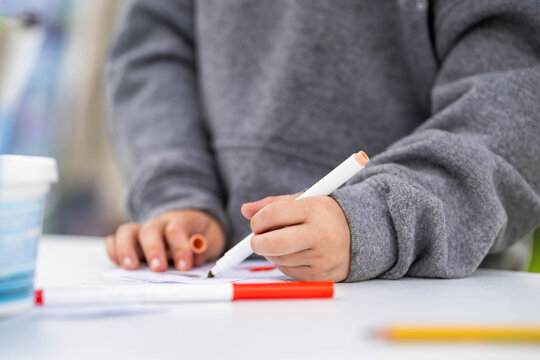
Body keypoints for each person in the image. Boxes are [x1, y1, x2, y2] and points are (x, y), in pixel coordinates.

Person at [104, 0, 540, 282]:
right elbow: (155, 50)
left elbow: (516, 110)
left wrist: (372, 221)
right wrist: (178, 192)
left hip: (420, 303)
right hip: (206, 292)